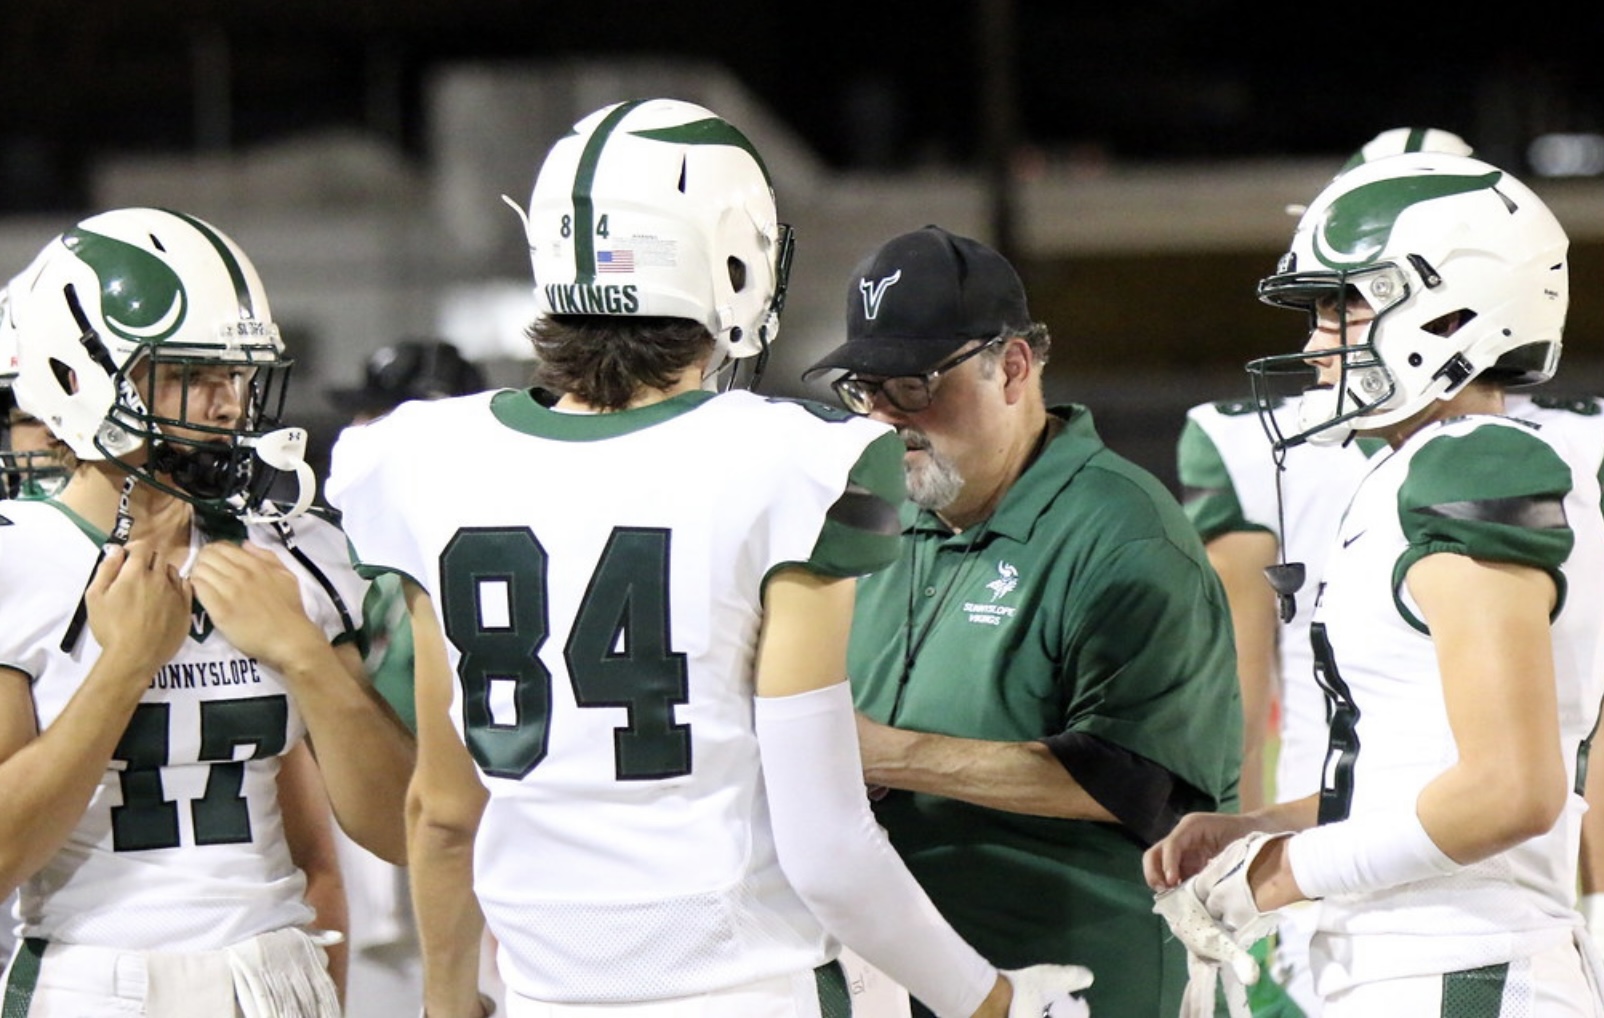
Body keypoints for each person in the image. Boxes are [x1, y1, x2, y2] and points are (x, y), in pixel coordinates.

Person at [327, 98, 1094, 1018]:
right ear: (732, 258)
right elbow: (827, 849)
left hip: (543, 992)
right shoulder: (797, 461)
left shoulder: (420, 457)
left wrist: (448, 1005)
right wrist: (995, 1001)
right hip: (744, 988)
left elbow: (443, 813)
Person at [1146, 151, 1604, 1017]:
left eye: (1345, 304)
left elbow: (1513, 790)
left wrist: (1279, 876)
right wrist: (1259, 831)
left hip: (1460, 968)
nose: (1319, 343)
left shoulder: (1474, 462)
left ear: (1458, 306)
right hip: (1410, 969)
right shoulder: (1418, 469)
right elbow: (1413, 775)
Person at [799, 223, 1243, 1017]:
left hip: (1073, 978)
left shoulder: (1123, 534)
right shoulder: (870, 520)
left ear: (1012, 368)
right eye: (864, 389)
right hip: (899, 980)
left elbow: (1145, 783)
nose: (885, 417)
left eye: (912, 386)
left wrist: (881, 754)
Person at [0, 206, 414, 1016]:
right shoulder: (18, 559)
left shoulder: (295, 553)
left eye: (237, 376)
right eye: (192, 374)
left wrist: (300, 652)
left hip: (277, 973)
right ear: (85, 377)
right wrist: (123, 668)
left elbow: (400, 831)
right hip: (97, 979)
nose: (228, 405)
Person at [324, 338, 489, 1018]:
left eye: (384, 418)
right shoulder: (348, 551)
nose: (359, 433)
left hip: (469, 835)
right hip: (381, 829)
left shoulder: (469, 555)